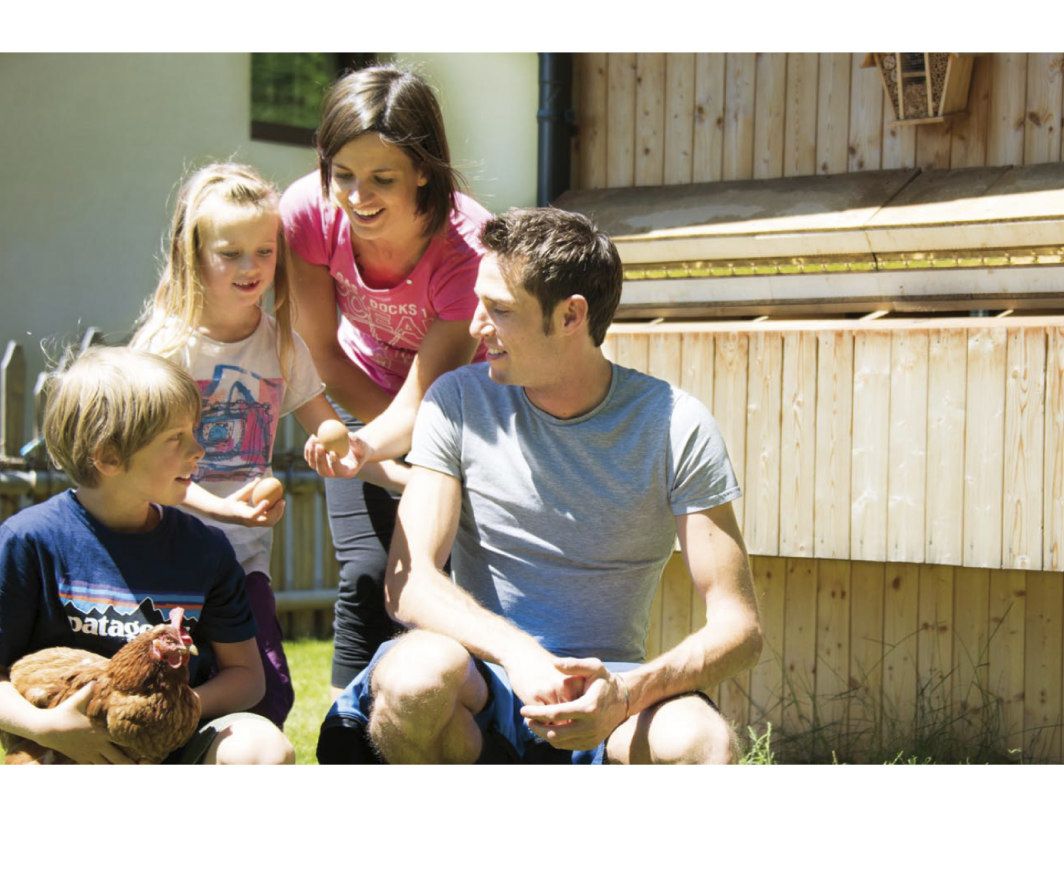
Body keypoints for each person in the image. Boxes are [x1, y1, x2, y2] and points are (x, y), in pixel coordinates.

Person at [322, 208, 763, 765]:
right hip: (484, 681)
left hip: (608, 693)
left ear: (572, 315)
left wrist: (627, 693)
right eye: (479, 302)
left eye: (500, 310)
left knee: (701, 741)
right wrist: (519, 654)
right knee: (415, 676)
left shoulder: (675, 424)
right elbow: (409, 585)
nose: (477, 326)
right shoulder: (456, 401)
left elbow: (740, 626)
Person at [131, 162, 399, 726]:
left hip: (243, 562)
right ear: (192, 255)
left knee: (266, 696)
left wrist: (400, 476)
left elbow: (336, 435)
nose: (251, 267)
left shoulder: (281, 346)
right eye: (230, 253)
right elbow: (146, 474)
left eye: (264, 251)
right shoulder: (166, 349)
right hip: (164, 556)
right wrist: (220, 508)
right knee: (160, 697)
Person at [0, 347, 294, 764]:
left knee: (261, 749)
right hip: (71, 745)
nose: (198, 449)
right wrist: (48, 728)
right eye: (176, 438)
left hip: (177, 741)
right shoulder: (30, 540)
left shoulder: (204, 548)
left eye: (194, 430)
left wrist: (165, 714)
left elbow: (247, 679)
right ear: (109, 456)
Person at [280, 65, 491, 693]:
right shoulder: (307, 215)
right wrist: (370, 449)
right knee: (370, 573)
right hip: (358, 392)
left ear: (424, 169)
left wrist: (384, 451)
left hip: (458, 415)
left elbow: (429, 395)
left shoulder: (465, 249)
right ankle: (347, 740)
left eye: (382, 179)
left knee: (438, 579)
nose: (355, 196)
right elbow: (318, 348)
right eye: (342, 174)